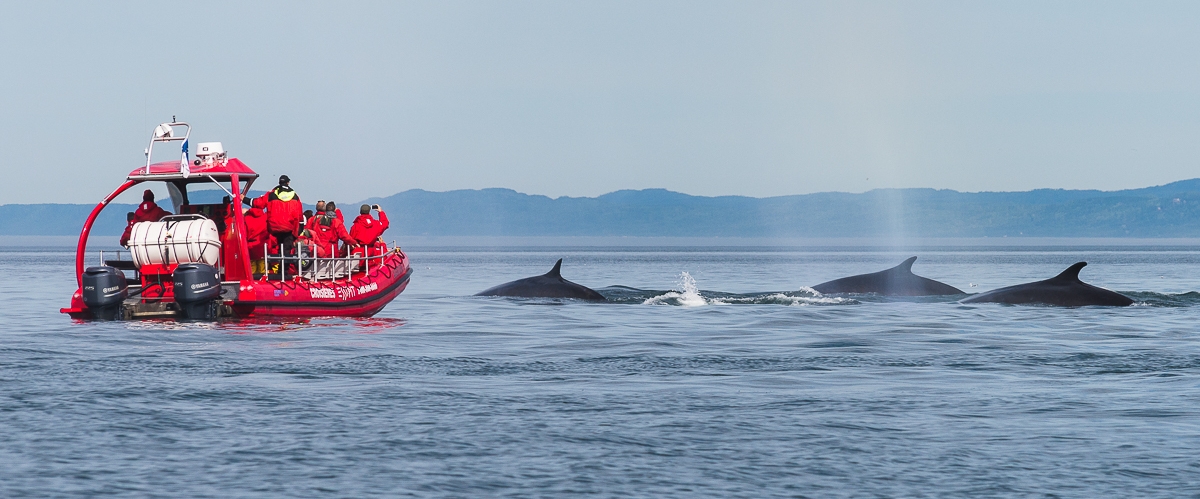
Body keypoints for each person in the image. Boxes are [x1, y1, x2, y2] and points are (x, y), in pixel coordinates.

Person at [248, 175, 303, 256]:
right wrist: (300, 229)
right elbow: (300, 214)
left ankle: (280, 263)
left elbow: (258, 203)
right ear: (288, 183)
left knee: (278, 247)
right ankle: (284, 266)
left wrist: (244, 199)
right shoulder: (295, 196)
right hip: (289, 227)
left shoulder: (271, 194)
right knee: (287, 250)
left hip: (274, 227)